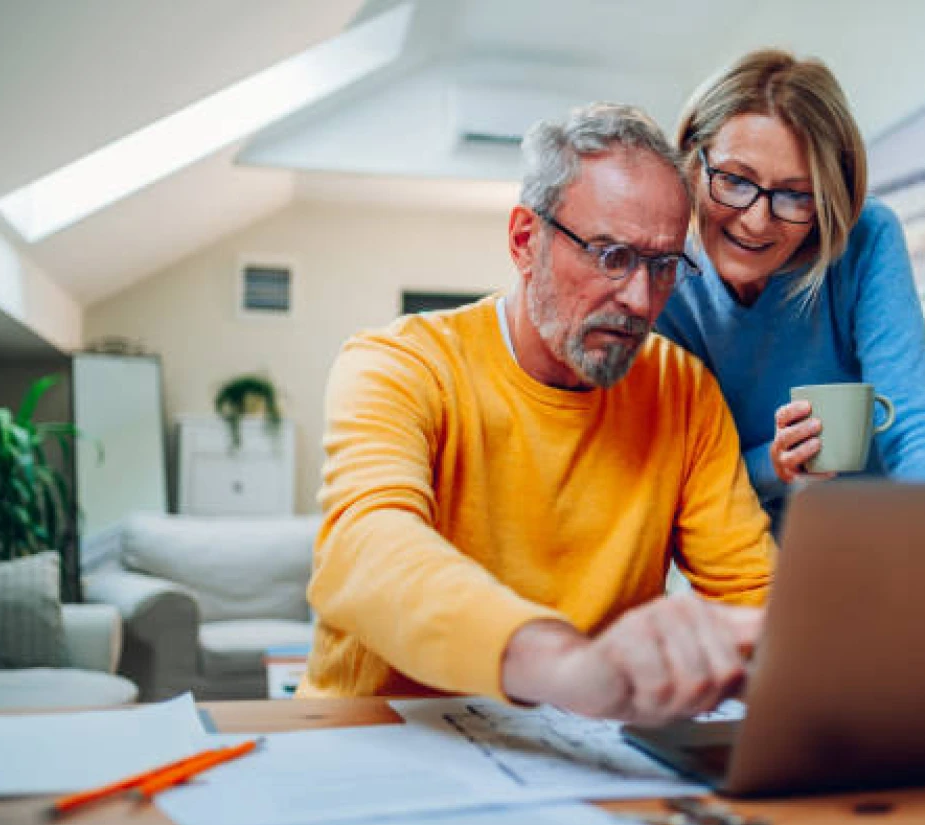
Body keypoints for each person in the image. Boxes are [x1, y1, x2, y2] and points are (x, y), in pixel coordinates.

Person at [299, 103, 775, 727]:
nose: (639, 299)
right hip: (379, 738)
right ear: (526, 240)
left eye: (662, 266)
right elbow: (367, 549)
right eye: (611, 256)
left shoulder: (682, 390)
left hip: (581, 754)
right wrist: (569, 667)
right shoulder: (400, 364)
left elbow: (754, 599)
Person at [656, 49, 925, 529]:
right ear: (693, 162)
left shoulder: (865, 238)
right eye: (735, 180)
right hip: (745, 564)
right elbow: (678, 480)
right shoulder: (662, 279)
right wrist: (771, 465)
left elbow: (912, 430)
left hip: (882, 543)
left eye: (796, 194)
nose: (757, 221)